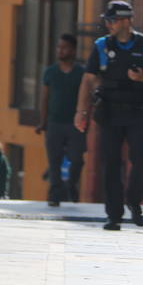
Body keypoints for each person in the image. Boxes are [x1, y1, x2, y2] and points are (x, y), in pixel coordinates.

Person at [75, 0, 143, 230]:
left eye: (112, 20)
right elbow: (88, 80)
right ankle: (113, 215)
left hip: (138, 110)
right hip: (110, 111)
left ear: (127, 21)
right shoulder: (101, 46)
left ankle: (134, 201)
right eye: (107, 20)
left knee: (141, 160)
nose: (108, 25)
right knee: (111, 164)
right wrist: (81, 112)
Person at [37, 33, 87, 206]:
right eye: (59, 47)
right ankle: (55, 194)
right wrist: (43, 121)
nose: (61, 50)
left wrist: (86, 118)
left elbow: (88, 97)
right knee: (54, 160)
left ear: (73, 50)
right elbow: (44, 98)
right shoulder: (50, 72)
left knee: (77, 159)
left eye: (64, 47)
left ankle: (72, 184)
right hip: (54, 123)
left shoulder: (82, 73)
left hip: (75, 124)